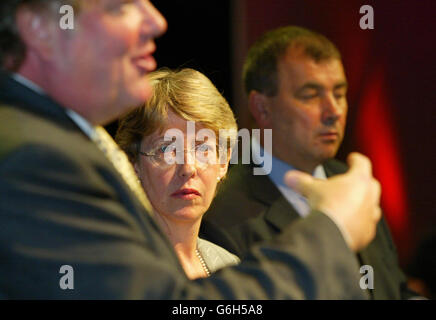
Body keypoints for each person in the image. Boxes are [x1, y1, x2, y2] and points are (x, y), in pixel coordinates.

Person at [0, 0, 380, 299]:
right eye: (121, 4)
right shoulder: (32, 157)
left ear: (225, 159)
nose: (155, 20)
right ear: (39, 27)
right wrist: (332, 229)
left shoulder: (47, 139)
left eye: (204, 147)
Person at [200, 26, 417, 299]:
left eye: (339, 94)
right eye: (311, 95)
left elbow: (394, 289)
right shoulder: (220, 211)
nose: (333, 112)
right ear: (262, 108)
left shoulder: (353, 183)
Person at [115, 68, 240, 279]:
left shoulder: (230, 266)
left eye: (202, 149)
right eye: (166, 150)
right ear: (133, 163)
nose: (188, 168)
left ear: (223, 163)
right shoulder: (113, 265)